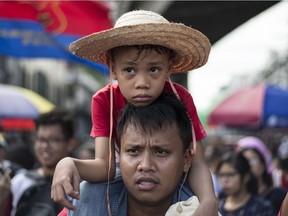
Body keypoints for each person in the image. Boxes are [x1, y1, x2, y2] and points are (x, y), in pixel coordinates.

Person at [52, 10, 217, 215]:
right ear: (112, 68)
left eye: (154, 70)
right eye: (129, 70)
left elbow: (197, 162)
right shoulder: (103, 100)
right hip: (124, 175)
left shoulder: (180, 98)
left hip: (170, 183)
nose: (142, 83)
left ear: (169, 67)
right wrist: (69, 163)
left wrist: (209, 202)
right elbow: (106, 167)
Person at [59, 93, 205, 216]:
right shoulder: (86, 202)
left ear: (186, 159)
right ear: (119, 155)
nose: (146, 166)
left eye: (160, 152)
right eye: (134, 151)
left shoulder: (201, 209)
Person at [10, 109, 76, 216]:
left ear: (70, 143)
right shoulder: (20, 182)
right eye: (40, 139)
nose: (45, 146)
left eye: (54, 140)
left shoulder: (78, 186)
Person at [236, 136, 287, 213]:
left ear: (263, 164)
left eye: (252, 160)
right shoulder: (231, 197)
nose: (249, 165)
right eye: (244, 161)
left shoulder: (279, 195)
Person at [216, 151, 275, 216]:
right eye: (221, 175)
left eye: (230, 175)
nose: (225, 180)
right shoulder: (217, 207)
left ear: (245, 177)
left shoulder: (262, 208)